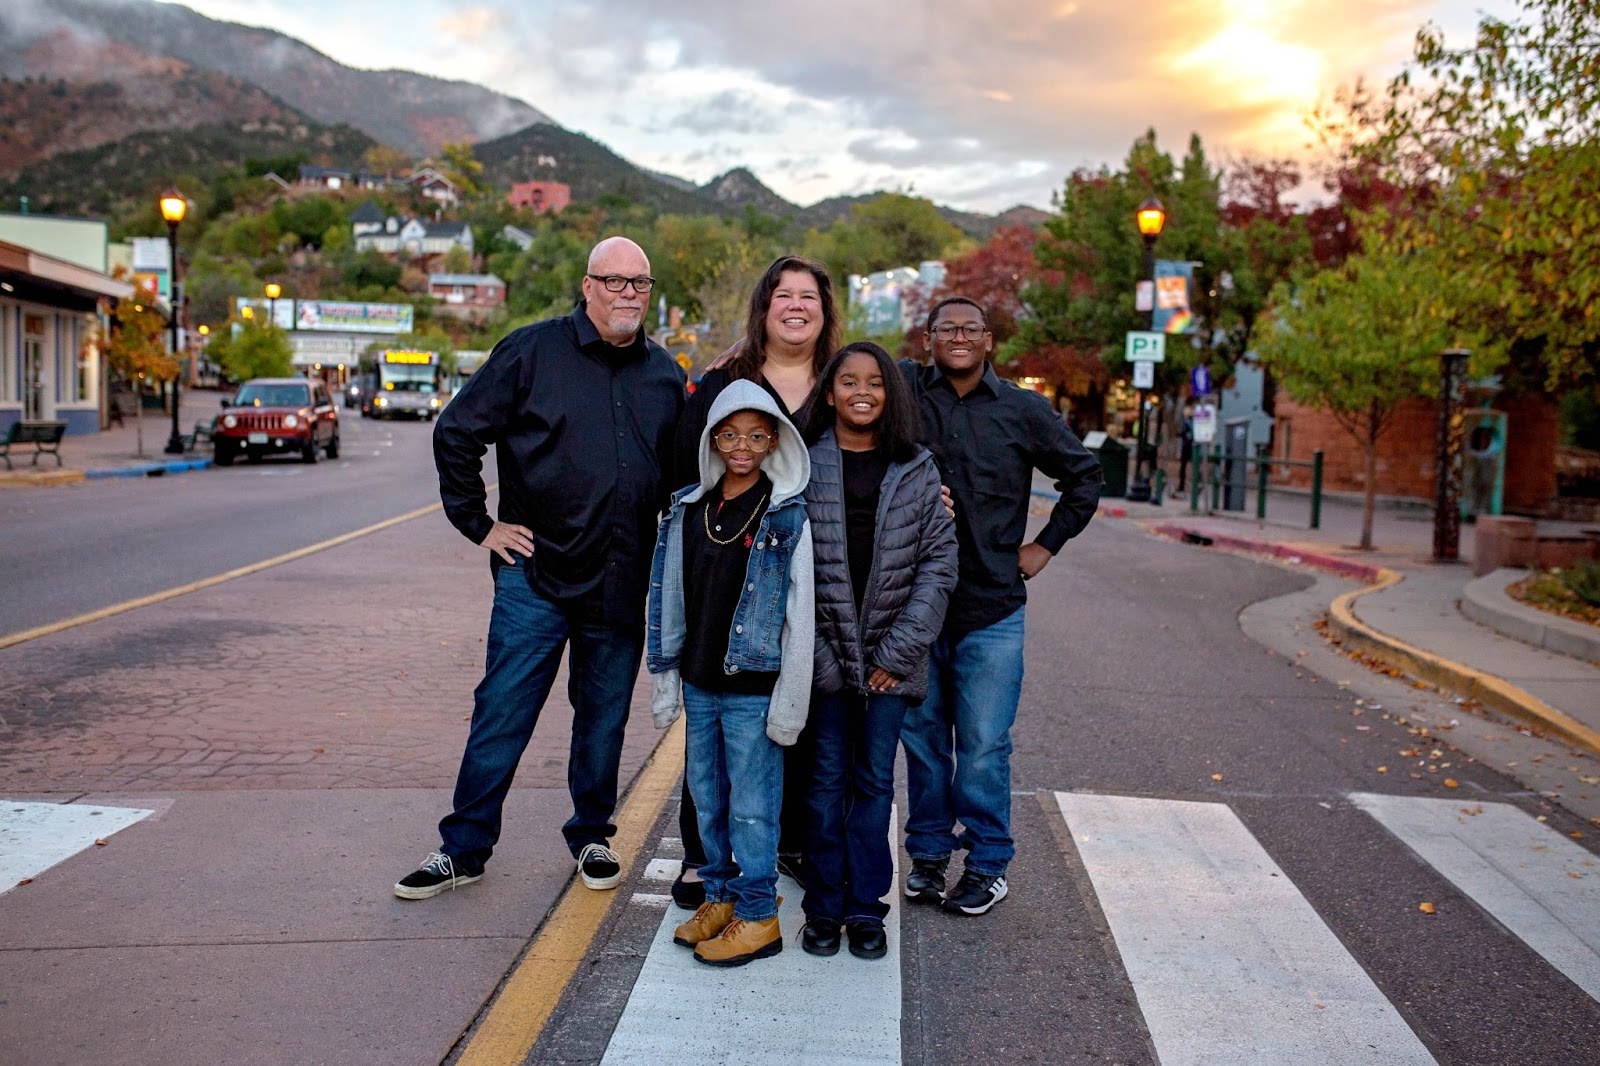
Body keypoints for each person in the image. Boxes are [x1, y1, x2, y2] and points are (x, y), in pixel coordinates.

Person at [394, 236, 684, 900]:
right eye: (614, 282)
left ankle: (590, 837)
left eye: (640, 283)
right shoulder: (530, 351)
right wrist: (480, 524)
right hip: (536, 576)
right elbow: (457, 431)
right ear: (587, 286)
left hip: (619, 579)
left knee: (604, 716)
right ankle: (463, 847)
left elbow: (681, 478)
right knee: (503, 709)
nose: (627, 294)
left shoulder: (665, 377)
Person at [900, 296, 1102, 916]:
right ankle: (930, 856)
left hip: (992, 609)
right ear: (928, 339)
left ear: (988, 340)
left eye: (970, 329)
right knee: (926, 742)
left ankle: (988, 864)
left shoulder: (1022, 409)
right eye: (945, 329)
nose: (957, 337)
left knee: (985, 744)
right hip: (914, 606)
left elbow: (1085, 476)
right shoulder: (905, 396)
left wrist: (1044, 545)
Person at [667, 254, 841, 908]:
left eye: (809, 297)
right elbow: (686, 472)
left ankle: (785, 846)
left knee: (801, 717)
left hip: (830, 574)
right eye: (782, 296)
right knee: (715, 725)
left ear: (824, 311)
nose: (795, 306)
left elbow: (893, 450)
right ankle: (702, 857)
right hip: (732, 584)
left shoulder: (843, 382)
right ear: (764, 309)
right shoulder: (727, 383)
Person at [799, 342, 958, 959]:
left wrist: (898, 653)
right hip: (824, 663)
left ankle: (866, 909)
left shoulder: (917, 469)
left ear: (891, 394)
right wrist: (823, 662)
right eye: (848, 381)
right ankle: (822, 908)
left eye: (875, 382)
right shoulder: (804, 465)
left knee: (872, 787)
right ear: (831, 392)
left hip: (893, 668)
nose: (861, 391)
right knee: (822, 785)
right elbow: (789, 569)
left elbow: (938, 566)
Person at [647, 380, 814, 966]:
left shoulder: (787, 516)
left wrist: (791, 697)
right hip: (700, 679)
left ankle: (759, 914)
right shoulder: (689, 507)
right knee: (707, 796)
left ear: (774, 442)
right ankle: (718, 896)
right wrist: (666, 670)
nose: (741, 446)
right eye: (730, 435)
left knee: (753, 804)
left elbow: (800, 611)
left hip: (752, 686)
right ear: (714, 440)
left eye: (756, 436)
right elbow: (669, 594)